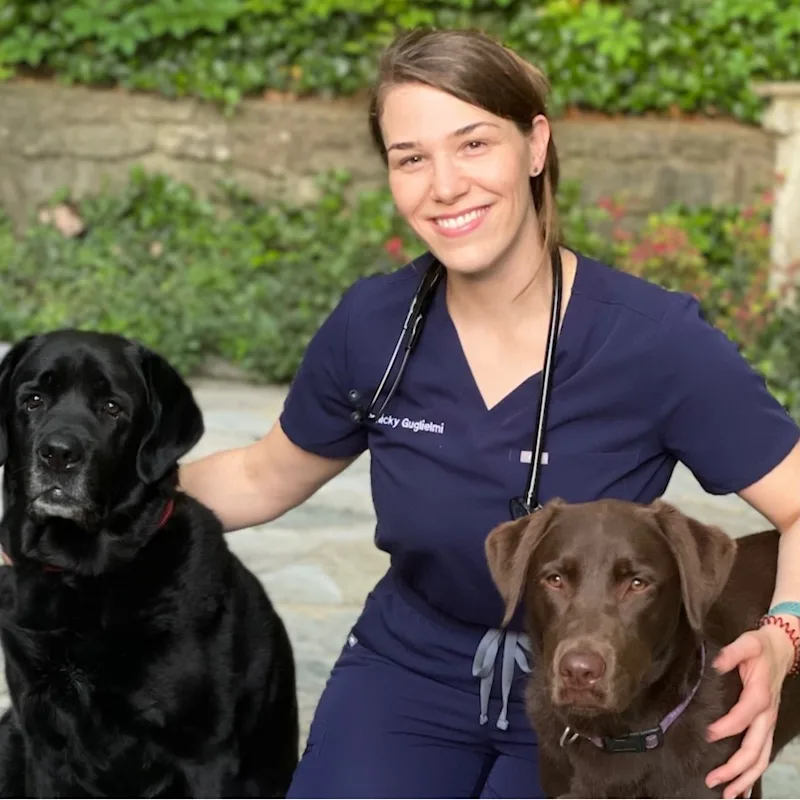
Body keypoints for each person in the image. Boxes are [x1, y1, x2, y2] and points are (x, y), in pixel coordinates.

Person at [178, 27, 800, 800]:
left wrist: (783, 636)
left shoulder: (658, 343)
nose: (444, 185)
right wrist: (66, 517)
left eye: (473, 144)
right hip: (411, 665)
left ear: (535, 145)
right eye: (411, 158)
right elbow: (260, 475)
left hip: (609, 691)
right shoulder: (373, 325)